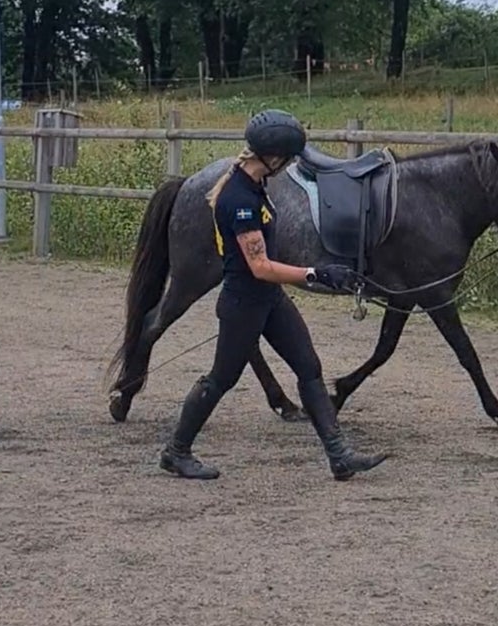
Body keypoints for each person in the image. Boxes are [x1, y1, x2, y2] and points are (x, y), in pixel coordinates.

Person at [159, 108, 388, 482]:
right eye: (288, 158)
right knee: (221, 379)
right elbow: (260, 266)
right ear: (274, 157)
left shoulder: (254, 186)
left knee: (308, 367)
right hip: (244, 304)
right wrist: (316, 273)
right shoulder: (239, 200)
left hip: (270, 300)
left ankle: (339, 456)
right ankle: (176, 451)